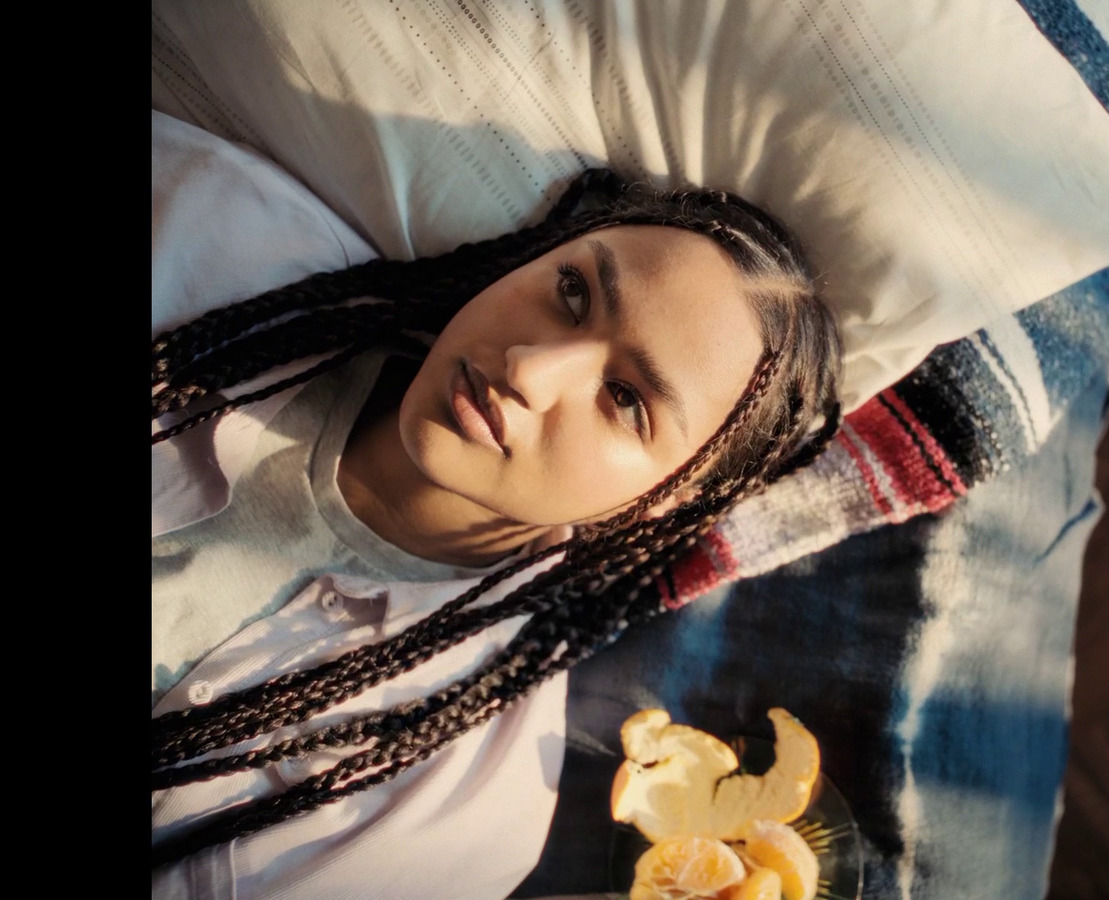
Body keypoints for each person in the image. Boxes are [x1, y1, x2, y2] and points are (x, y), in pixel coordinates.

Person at [151, 113, 842, 897]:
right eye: (572, 291)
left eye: (625, 399)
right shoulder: (216, 236)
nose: (530, 367)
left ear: (667, 498)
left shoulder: (458, 802)